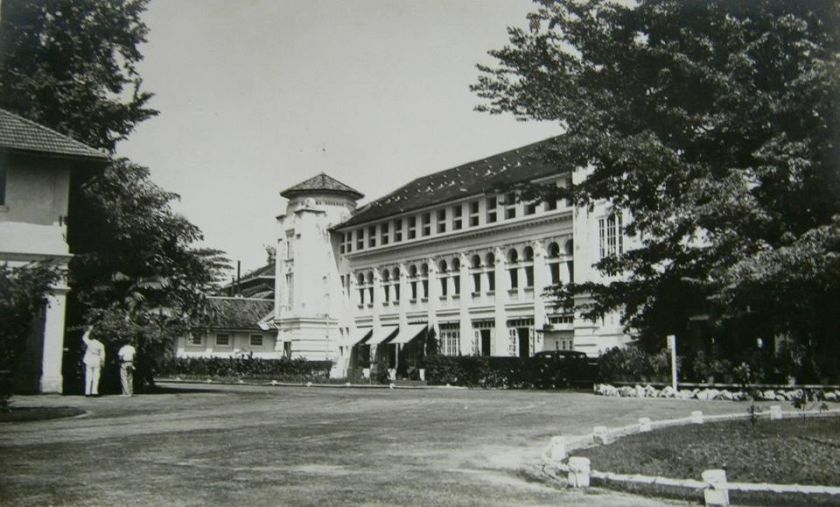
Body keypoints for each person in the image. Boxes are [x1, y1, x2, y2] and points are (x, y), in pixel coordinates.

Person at [81, 326, 105, 397]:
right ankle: (94, 391)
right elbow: (102, 355)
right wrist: (102, 362)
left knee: (88, 376)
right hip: (97, 360)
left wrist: (89, 330)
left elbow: (84, 338)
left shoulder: (90, 342)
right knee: (96, 376)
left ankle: (87, 392)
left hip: (89, 359)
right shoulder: (101, 344)